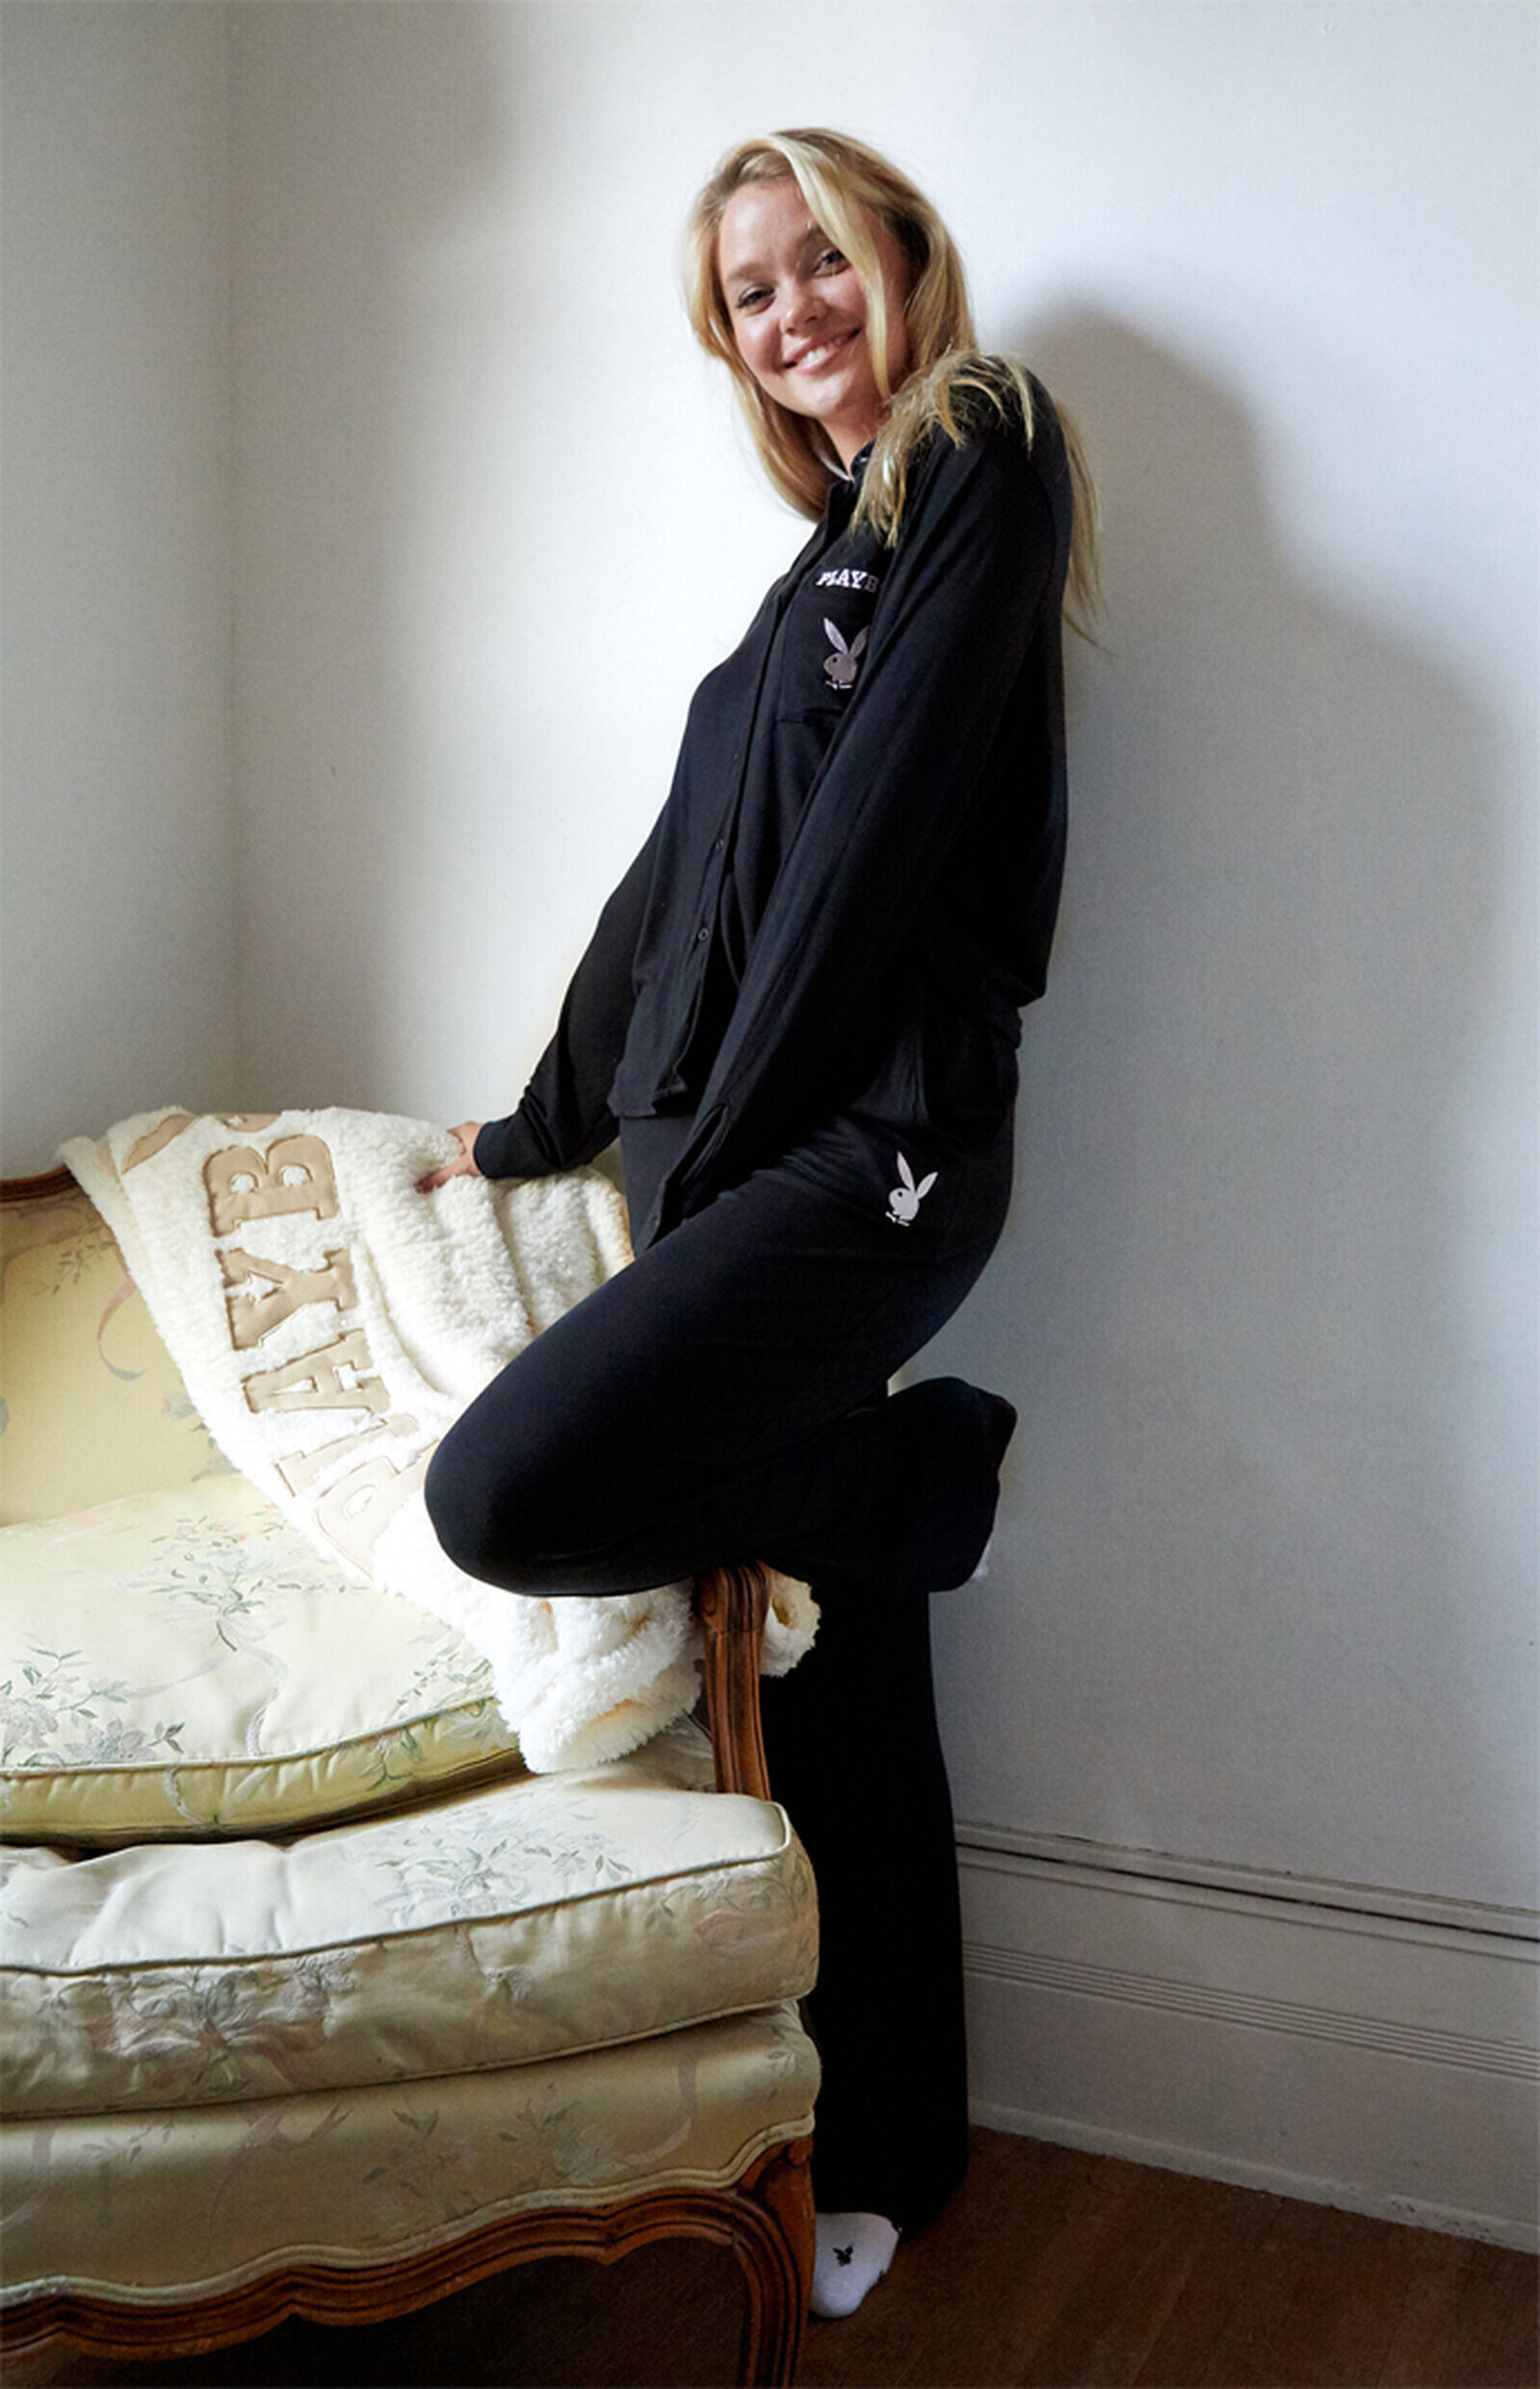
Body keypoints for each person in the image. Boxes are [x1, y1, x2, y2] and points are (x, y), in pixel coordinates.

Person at [419, 127, 1098, 2320]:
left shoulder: (979, 448)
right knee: (843, 1635)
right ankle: (889, 2145)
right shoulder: (795, 586)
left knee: (502, 1487)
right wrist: (530, 1128)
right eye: (749, 288)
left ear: (901, 256)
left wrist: (712, 1162)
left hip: (863, 1148)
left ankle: (922, 1470)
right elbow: (667, 888)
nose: (793, 307)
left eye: (821, 258)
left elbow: (874, 852)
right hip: (737, 1151)